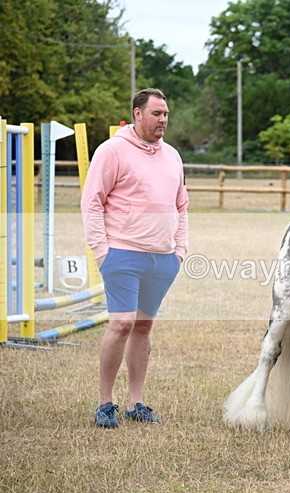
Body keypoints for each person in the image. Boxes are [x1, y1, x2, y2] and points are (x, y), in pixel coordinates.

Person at [81, 88, 189, 428]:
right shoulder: (112, 151)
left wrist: (179, 251)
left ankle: (137, 402)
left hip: (163, 258)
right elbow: (92, 201)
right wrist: (102, 252)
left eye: (166, 114)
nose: (163, 120)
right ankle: (104, 403)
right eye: (157, 113)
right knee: (122, 324)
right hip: (122, 253)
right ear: (137, 114)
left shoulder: (172, 155)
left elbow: (181, 205)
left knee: (143, 327)